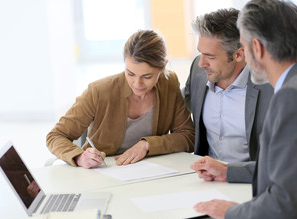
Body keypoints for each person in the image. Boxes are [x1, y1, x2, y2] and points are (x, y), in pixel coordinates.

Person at [192, 0, 297, 219]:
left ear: (256, 48)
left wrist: (233, 214)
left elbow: (286, 199)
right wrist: (228, 172)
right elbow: (290, 172)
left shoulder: (291, 97)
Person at [47, 30, 195, 169]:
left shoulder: (169, 84)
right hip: (103, 171)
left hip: (151, 172)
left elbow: (188, 136)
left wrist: (147, 145)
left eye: (147, 77)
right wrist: (79, 157)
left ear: (163, 67)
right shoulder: (99, 91)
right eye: (130, 74)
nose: (137, 84)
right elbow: (56, 136)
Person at [183, 8, 273, 167]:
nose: (201, 63)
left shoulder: (270, 86)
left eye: (210, 56)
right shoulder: (198, 72)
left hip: (251, 181)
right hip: (206, 179)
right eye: (200, 53)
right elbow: (182, 104)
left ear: (239, 54)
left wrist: (227, 171)